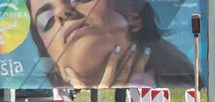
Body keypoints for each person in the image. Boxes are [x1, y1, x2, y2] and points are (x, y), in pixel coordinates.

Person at [26, 0, 195, 88]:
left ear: (135, 16)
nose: (61, 12)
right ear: (59, 69)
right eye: (47, 20)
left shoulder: (188, 85)